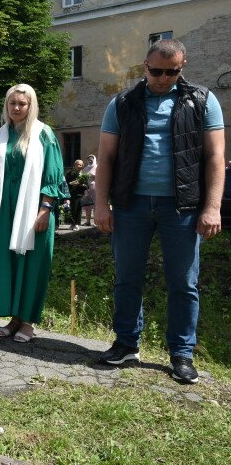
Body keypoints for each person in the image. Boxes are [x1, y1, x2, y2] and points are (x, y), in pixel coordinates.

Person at [95, 39, 225, 383]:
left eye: (172, 72)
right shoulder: (122, 102)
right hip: (131, 204)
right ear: (145, 66)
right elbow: (106, 157)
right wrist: (101, 204)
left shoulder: (202, 100)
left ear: (182, 68)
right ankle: (126, 343)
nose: (164, 78)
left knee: (183, 282)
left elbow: (215, 157)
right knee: (127, 277)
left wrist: (212, 207)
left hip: (182, 206)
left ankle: (182, 353)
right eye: (157, 71)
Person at [0, 84, 67, 343]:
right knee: (8, 262)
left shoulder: (43, 134)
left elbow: (53, 174)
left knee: (32, 263)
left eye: (22, 104)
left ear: (31, 106)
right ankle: (14, 318)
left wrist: (45, 209)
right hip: (3, 210)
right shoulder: (0, 135)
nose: (16, 108)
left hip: (34, 209)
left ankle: (28, 322)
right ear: (6, 106)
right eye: (12, 103)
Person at [65, 159, 87, 230]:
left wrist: (81, 185)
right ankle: (72, 224)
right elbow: (65, 183)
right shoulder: (70, 174)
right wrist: (71, 183)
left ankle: (76, 224)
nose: (79, 166)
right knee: (71, 209)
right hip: (71, 194)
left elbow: (87, 186)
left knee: (78, 209)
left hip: (79, 194)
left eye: (81, 165)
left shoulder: (84, 175)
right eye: (78, 164)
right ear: (74, 165)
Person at [81, 154, 97, 226]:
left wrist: (93, 176)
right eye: (88, 159)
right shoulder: (85, 168)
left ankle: (96, 222)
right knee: (87, 205)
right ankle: (88, 221)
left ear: (94, 160)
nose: (90, 161)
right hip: (87, 189)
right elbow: (82, 178)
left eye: (91, 159)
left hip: (95, 188)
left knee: (95, 205)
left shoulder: (97, 167)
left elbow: (101, 177)